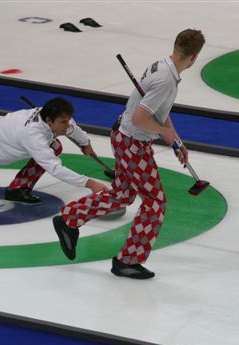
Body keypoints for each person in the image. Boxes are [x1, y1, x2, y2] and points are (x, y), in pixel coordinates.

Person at [53, 29, 206, 279]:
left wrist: (175, 138)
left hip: (123, 136)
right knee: (155, 202)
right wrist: (164, 133)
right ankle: (128, 261)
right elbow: (140, 118)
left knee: (123, 194)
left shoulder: (162, 66)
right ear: (194, 57)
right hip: (134, 143)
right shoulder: (167, 80)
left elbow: (157, 110)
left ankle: (70, 218)